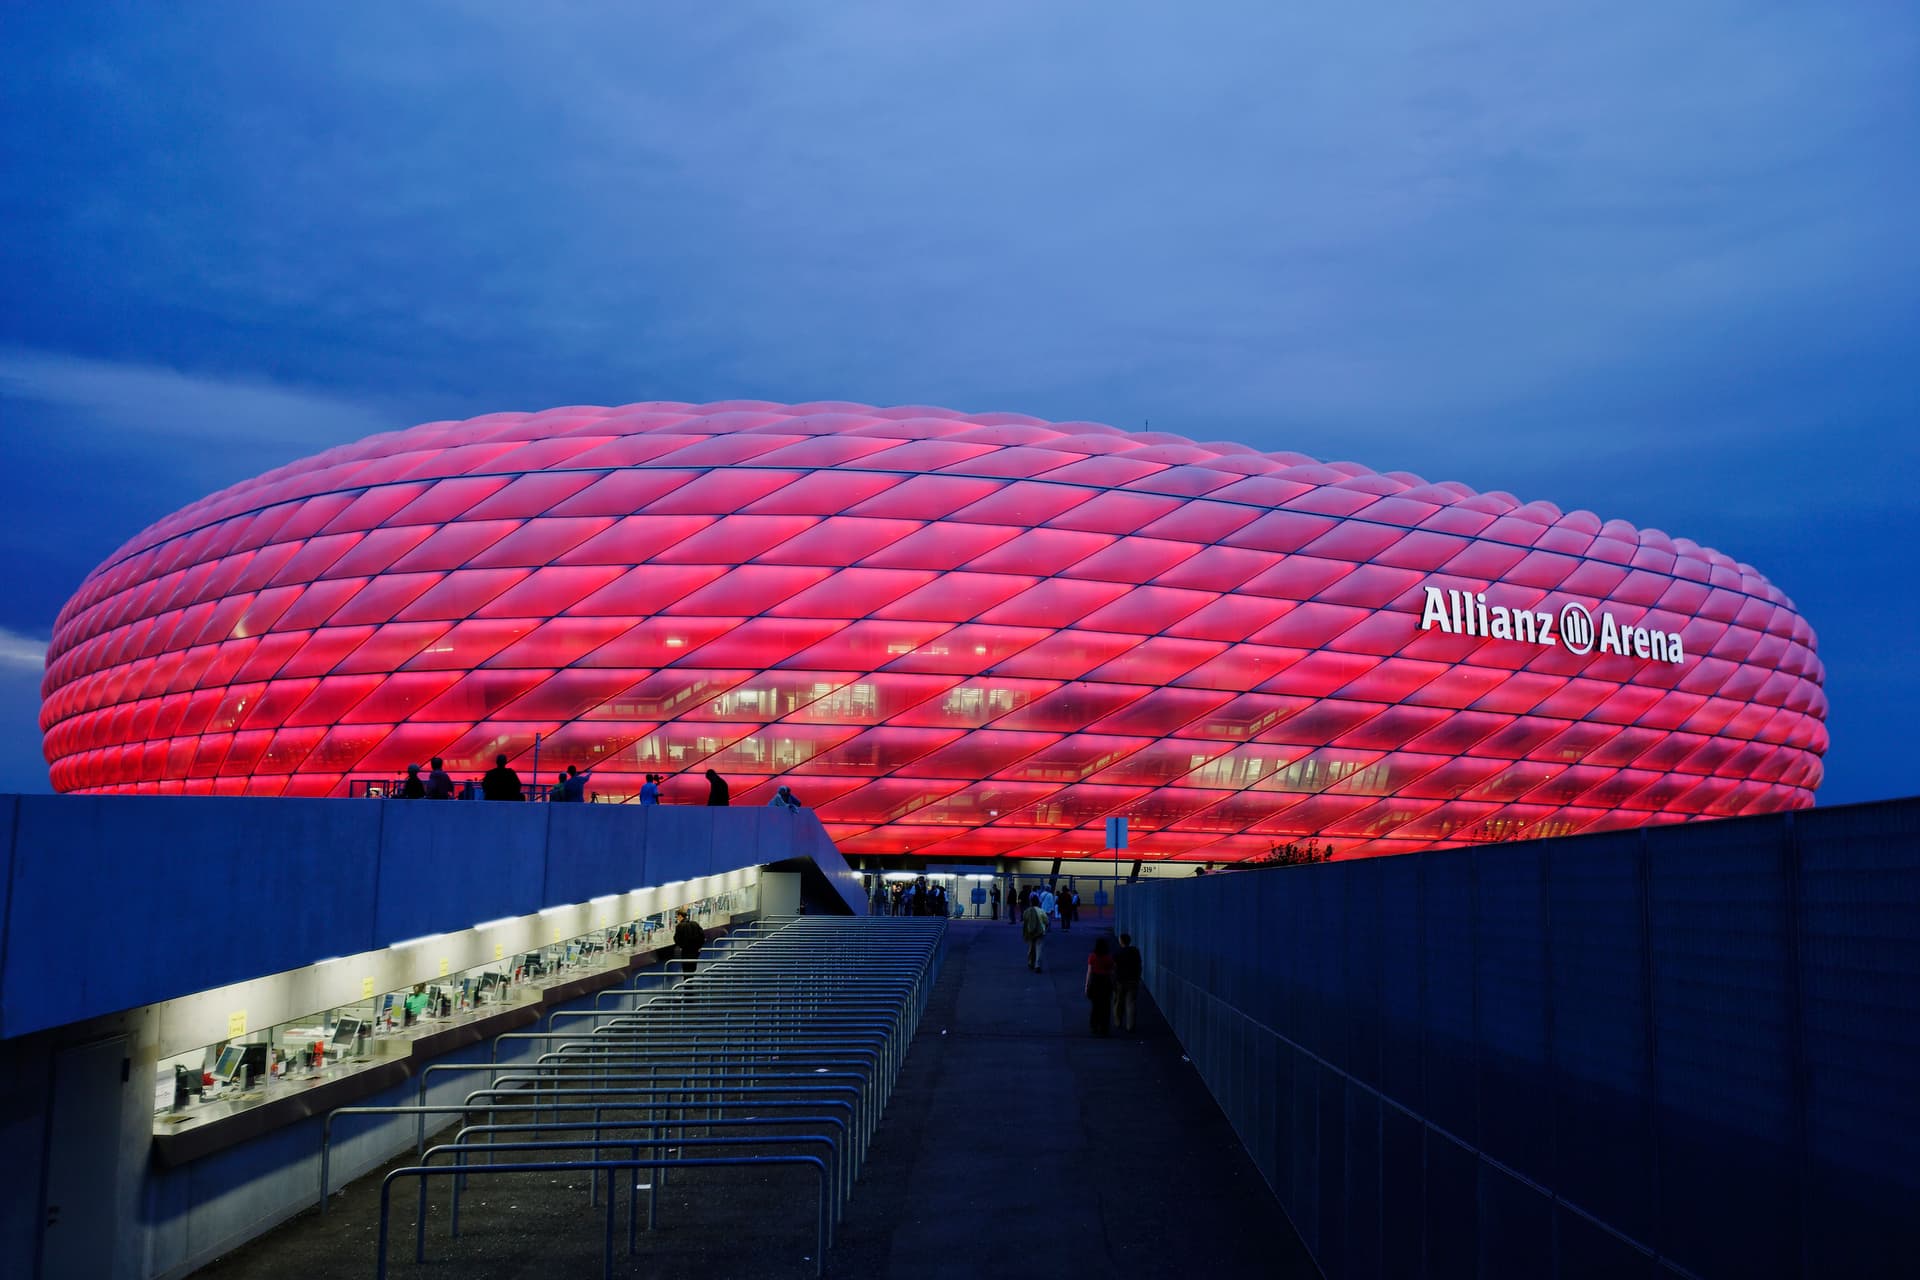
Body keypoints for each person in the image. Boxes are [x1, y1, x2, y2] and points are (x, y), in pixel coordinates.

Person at [1113, 932, 1143, 1033]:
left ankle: (1118, 1022)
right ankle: (1130, 1026)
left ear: (1121, 941)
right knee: (1131, 1003)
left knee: (1118, 1002)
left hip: (1120, 980)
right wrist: (1138, 976)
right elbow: (1139, 965)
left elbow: (1114, 967)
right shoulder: (1135, 951)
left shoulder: (1117, 953)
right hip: (1133, 980)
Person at [1086, 937, 1116, 1036]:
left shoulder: (1092, 956)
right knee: (1106, 1007)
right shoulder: (1109, 958)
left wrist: (1086, 986)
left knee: (1095, 1006)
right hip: (1105, 982)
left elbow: (1089, 972)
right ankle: (1104, 1028)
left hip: (1095, 982)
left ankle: (1094, 1026)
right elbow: (1112, 973)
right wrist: (1113, 985)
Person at [1021, 892, 1049, 973]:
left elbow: (1024, 920)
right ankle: (1037, 965)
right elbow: (1046, 921)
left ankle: (1030, 962)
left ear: (1030, 902)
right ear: (1038, 902)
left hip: (1030, 932)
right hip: (1040, 932)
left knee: (1030, 948)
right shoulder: (1041, 911)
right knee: (1038, 948)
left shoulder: (1027, 911)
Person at [673, 909, 706, 975]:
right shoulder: (695, 924)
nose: (677, 919)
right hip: (695, 951)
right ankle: (690, 981)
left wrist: (681, 946)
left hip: (686, 952)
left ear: (680, 916)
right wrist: (699, 947)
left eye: (677, 917)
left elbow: (677, 939)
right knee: (692, 969)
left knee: (686, 970)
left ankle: (687, 983)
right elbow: (702, 936)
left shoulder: (679, 926)